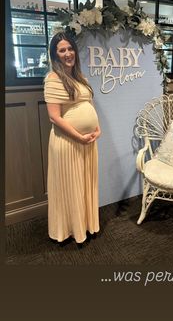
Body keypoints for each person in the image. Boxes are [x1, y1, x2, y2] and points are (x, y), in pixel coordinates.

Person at [44, 31, 101, 244]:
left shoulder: (80, 77)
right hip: (68, 142)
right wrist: (79, 136)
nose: (68, 53)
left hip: (88, 142)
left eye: (70, 49)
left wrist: (97, 128)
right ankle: (70, 230)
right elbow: (54, 117)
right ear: (55, 54)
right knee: (70, 185)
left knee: (85, 184)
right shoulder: (53, 78)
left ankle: (86, 224)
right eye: (62, 50)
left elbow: (90, 104)